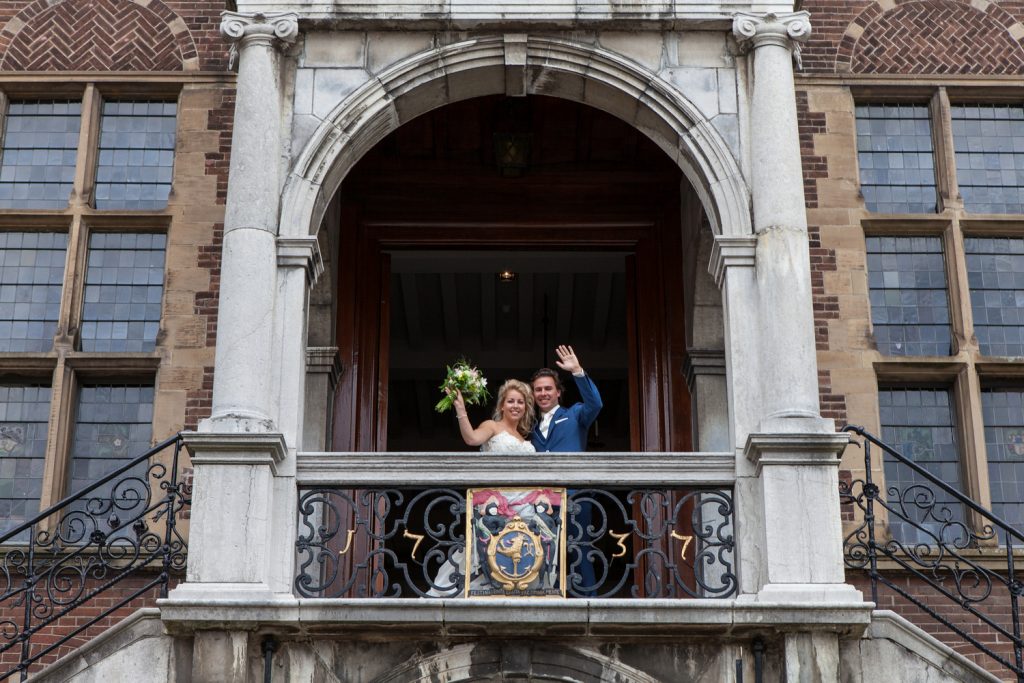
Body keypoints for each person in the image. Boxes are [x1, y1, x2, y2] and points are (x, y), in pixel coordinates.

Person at [531, 344, 602, 595]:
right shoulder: (529, 428)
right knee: (542, 550)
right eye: (538, 390)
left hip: (575, 495)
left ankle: (589, 600)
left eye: (548, 388)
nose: (543, 393)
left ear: (558, 392)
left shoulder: (575, 415)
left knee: (579, 548)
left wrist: (578, 372)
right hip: (541, 501)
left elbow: (595, 404)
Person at [452, 378, 536, 454]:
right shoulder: (492, 426)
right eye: (510, 401)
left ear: (525, 408)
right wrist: (460, 409)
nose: (515, 406)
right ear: (502, 406)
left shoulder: (523, 438)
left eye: (520, 402)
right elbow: (472, 439)